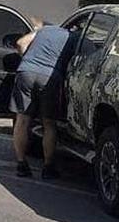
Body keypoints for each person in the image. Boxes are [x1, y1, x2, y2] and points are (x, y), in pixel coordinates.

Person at [10, 20, 75, 179]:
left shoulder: (44, 31)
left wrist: (27, 60)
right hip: (50, 78)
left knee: (22, 120)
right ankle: (48, 167)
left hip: (26, 72)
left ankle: (21, 165)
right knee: (49, 123)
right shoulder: (73, 38)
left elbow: (20, 43)